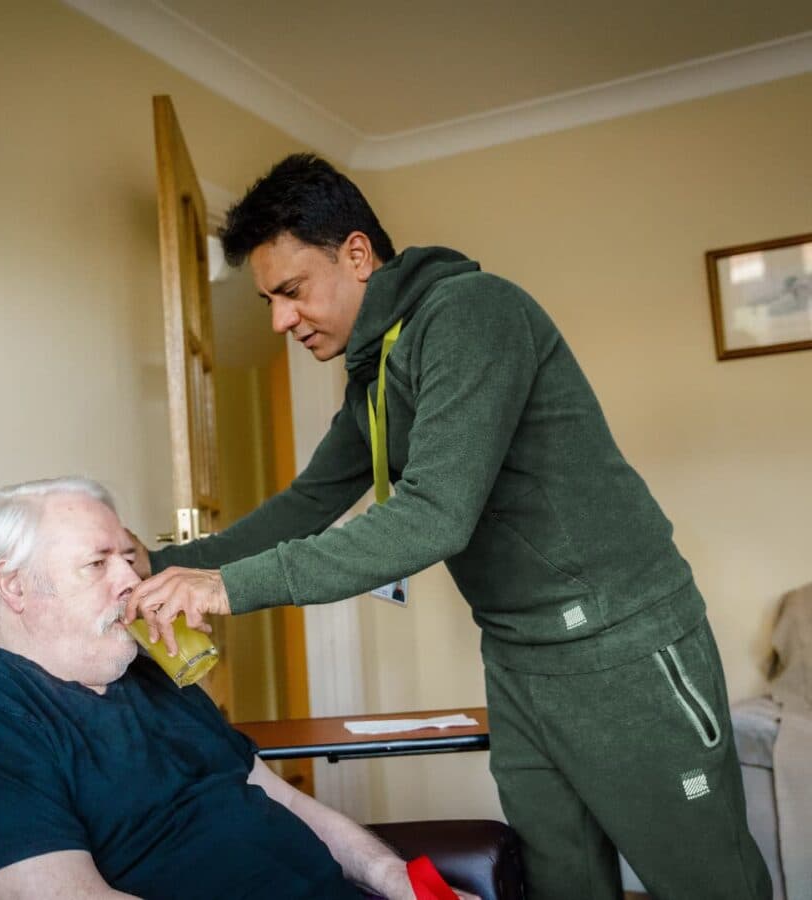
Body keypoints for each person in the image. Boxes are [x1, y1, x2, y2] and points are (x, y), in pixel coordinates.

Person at [125, 155, 772, 899]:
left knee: (706, 880)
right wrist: (158, 563)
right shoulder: (374, 372)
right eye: (270, 299)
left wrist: (226, 588)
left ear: (358, 254)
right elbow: (307, 504)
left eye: (292, 292)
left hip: (620, 644)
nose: (279, 320)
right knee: (561, 879)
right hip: (519, 654)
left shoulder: (472, 314)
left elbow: (434, 518)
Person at [0, 477, 478, 900]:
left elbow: (274, 795)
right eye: (98, 564)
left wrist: (395, 878)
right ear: (14, 587)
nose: (133, 581)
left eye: (128, 559)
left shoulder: (152, 673)